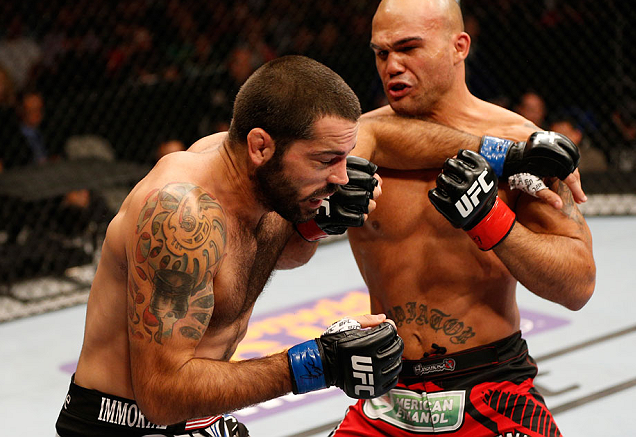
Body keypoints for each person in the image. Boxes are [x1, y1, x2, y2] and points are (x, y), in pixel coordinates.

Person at [55, 55, 404, 437]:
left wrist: (315, 225)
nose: (340, 176)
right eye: (326, 160)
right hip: (126, 424)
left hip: (202, 418)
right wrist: (315, 364)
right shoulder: (180, 214)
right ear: (261, 147)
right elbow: (162, 398)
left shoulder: (265, 178)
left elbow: (259, 256)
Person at [326, 0, 595, 437]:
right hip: (384, 400)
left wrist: (489, 219)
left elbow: (578, 284)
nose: (392, 66)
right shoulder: (358, 140)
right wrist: (314, 223)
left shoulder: (522, 140)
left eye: (409, 48)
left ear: (459, 46)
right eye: (381, 53)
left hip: (491, 389)